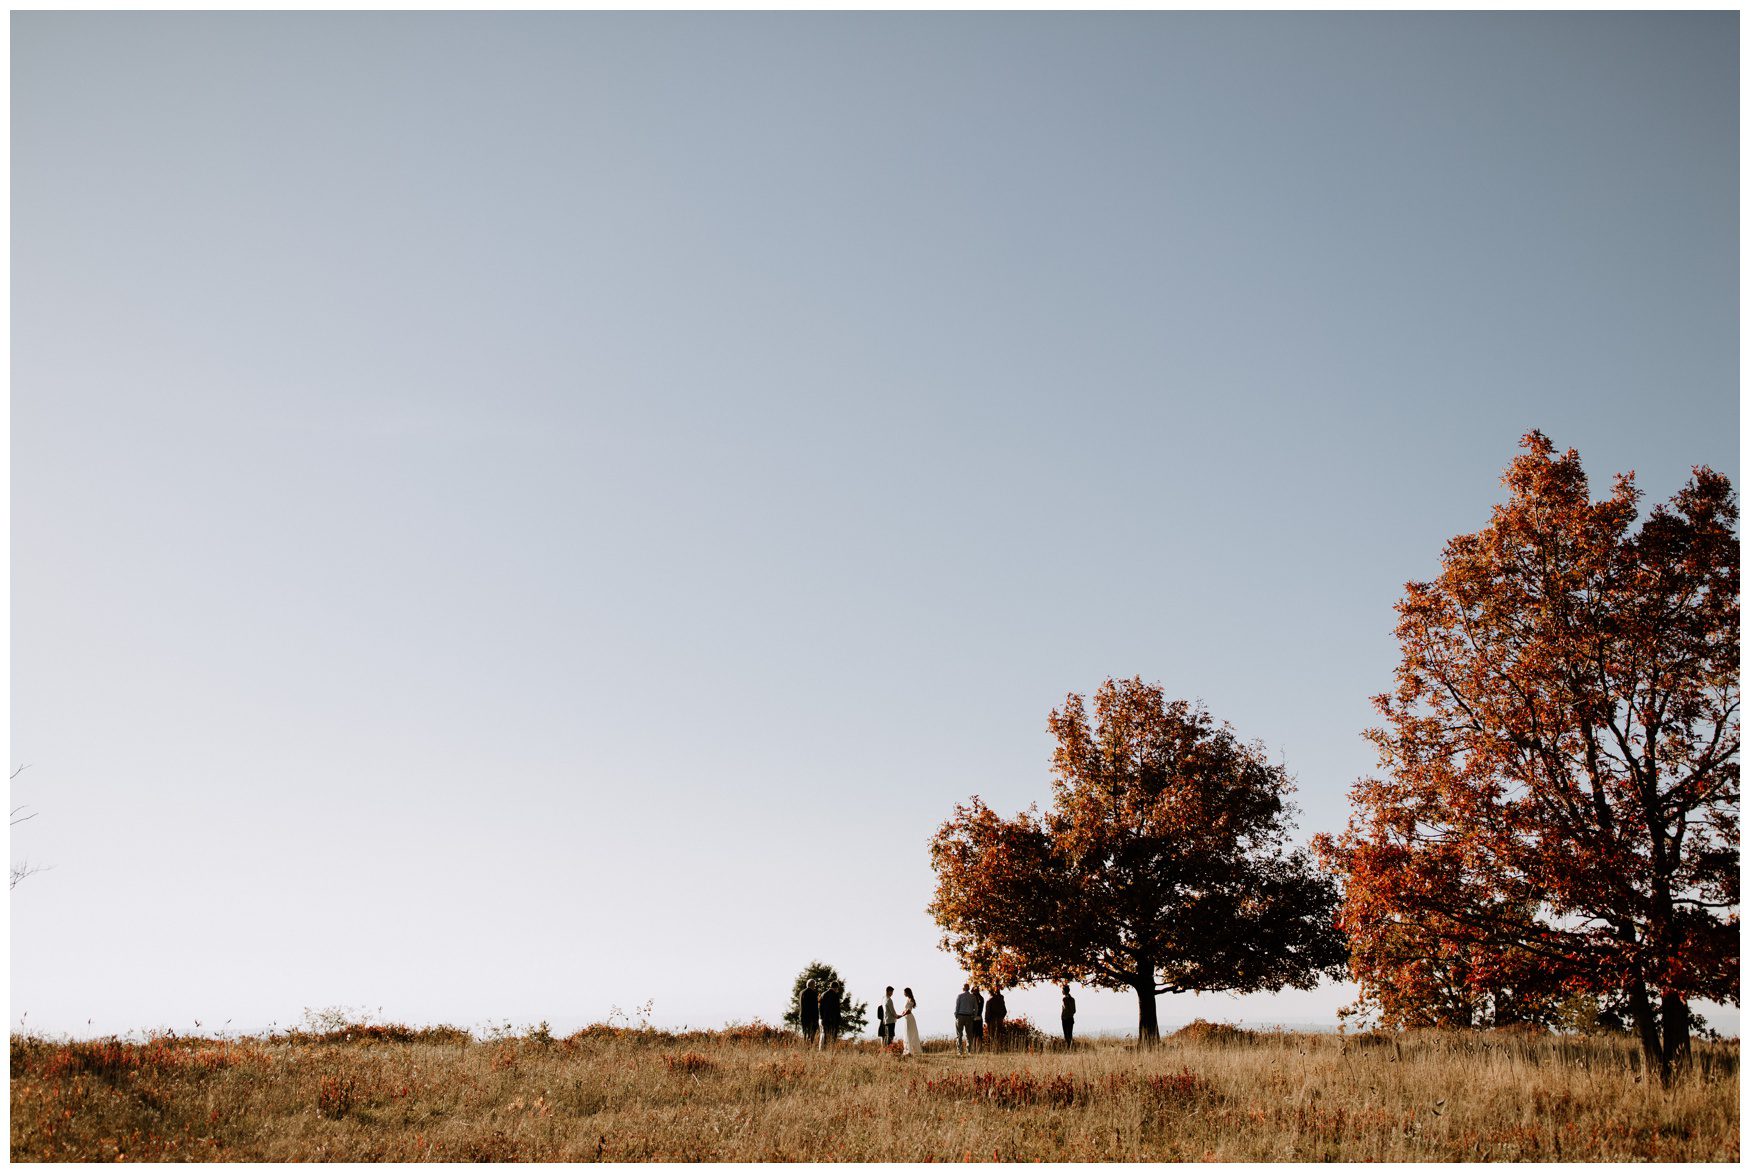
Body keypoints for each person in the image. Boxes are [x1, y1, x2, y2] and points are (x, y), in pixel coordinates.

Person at [953, 983, 981, 1054]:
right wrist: (974, 1016)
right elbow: (976, 1008)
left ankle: (960, 1051)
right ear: (968, 988)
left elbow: (957, 1007)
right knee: (969, 1035)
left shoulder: (960, 996)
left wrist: (956, 1015)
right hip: (969, 1017)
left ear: (963, 988)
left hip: (960, 1016)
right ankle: (968, 1051)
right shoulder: (972, 997)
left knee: (959, 1034)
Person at [898, 987, 921, 1056]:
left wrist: (902, 1016)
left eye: (904, 992)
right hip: (906, 1017)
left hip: (909, 1017)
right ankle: (908, 1049)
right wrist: (902, 1014)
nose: (904, 994)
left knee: (910, 1032)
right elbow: (905, 1010)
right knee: (907, 1032)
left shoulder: (911, 1000)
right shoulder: (907, 999)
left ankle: (911, 1050)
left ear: (907, 992)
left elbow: (908, 1010)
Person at [819, 982, 842, 1050]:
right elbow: (837, 1009)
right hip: (833, 1020)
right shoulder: (835, 996)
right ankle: (830, 1049)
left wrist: (821, 1017)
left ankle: (823, 1049)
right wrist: (839, 1019)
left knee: (825, 1035)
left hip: (824, 1019)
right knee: (833, 1037)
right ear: (836, 988)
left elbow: (820, 1008)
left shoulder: (823, 994)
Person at [1061, 983, 1077, 1049]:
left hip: (1066, 1019)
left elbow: (1066, 1009)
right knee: (1069, 1034)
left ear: (1065, 991)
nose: (1062, 991)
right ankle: (1069, 1047)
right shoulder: (1072, 999)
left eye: (1063, 990)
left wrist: (1065, 1016)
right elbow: (1074, 1010)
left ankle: (1068, 1048)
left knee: (1066, 1035)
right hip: (1070, 1018)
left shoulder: (1064, 999)